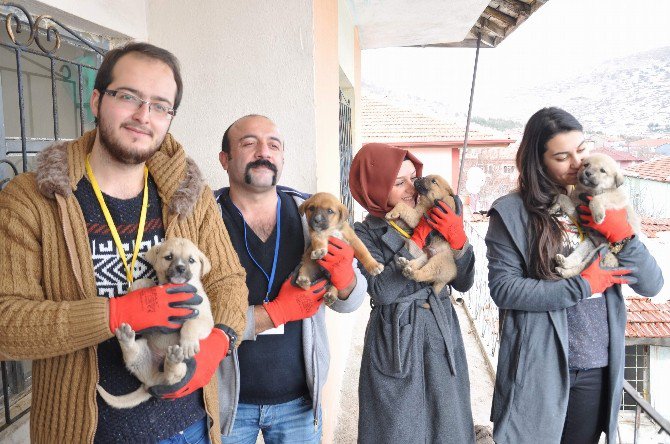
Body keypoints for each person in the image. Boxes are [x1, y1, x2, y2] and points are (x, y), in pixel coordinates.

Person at [0, 42, 248, 444]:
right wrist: (113, 314)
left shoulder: (189, 194)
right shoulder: (31, 198)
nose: (143, 116)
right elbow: (6, 323)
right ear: (97, 100)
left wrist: (219, 342)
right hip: (86, 433)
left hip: (191, 428)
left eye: (160, 105)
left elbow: (229, 281)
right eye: (128, 97)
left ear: (170, 117)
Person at [486, 107, 663, 444]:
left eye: (581, 149)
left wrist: (623, 236)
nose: (578, 163)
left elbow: (651, 284)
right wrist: (583, 286)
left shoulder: (605, 204)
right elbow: (505, 290)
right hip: (540, 366)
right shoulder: (511, 213)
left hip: (597, 364)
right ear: (539, 162)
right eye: (563, 156)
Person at [215, 114, 367, 443]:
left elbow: (352, 301)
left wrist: (345, 279)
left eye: (273, 144)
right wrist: (273, 314)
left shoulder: (313, 212)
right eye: (248, 143)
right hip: (225, 405)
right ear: (224, 159)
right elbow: (190, 316)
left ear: (282, 157)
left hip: (299, 404)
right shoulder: (203, 220)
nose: (263, 151)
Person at [349, 142, 477, 443]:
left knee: (448, 426)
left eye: (412, 177)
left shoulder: (436, 215)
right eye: (398, 182)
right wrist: (413, 235)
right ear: (375, 189)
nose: (412, 187)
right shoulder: (364, 233)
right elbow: (383, 291)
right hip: (396, 340)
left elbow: (464, 282)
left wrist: (458, 241)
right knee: (397, 428)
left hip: (441, 332)